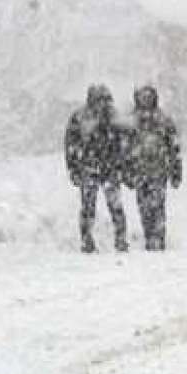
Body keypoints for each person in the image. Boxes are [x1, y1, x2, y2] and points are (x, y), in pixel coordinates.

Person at [64, 84, 128, 253]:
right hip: (89, 168)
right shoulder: (80, 117)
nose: (102, 103)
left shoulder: (114, 117)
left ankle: (121, 240)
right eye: (99, 99)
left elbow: (124, 143)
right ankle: (87, 240)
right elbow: (71, 144)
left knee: (115, 206)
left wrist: (123, 165)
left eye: (105, 99)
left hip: (109, 168)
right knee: (88, 207)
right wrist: (73, 168)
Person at [124, 85, 181, 250]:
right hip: (139, 171)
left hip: (158, 171)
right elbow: (124, 148)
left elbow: (174, 147)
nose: (146, 100)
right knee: (144, 207)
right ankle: (149, 236)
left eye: (149, 97)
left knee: (158, 206)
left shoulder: (163, 120)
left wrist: (176, 170)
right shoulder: (132, 121)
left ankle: (159, 237)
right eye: (143, 97)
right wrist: (126, 171)